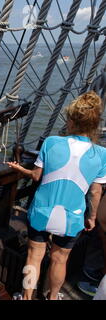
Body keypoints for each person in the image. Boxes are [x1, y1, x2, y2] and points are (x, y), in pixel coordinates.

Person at [7, 91, 106, 300]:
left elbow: (36, 176)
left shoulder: (51, 142)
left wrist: (20, 169)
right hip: (73, 216)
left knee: (34, 257)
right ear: (94, 124)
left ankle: (26, 297)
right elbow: (95, 192)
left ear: (71, 120)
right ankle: (52, 297)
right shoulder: (101, 154)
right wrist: (92, 217)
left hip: (42, 210)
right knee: (60, 260)